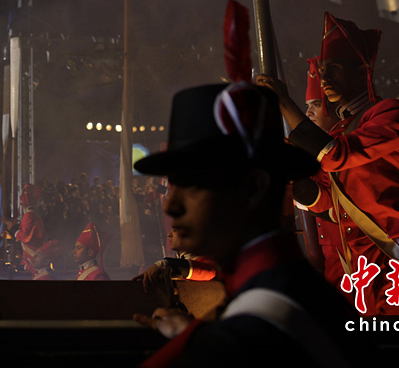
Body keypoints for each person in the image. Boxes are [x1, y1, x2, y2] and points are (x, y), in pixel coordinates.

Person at [133, 80, 357, 367]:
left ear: (253, 188)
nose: (171, 205)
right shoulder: (287, 292)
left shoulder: (259, 328)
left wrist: (199, 345)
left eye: (191, 186)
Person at [257, 12, 399, 315]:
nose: (325, 79)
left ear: (362, 71)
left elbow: (336, 156)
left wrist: (284, 103)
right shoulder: (338, 132)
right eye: (323, 71)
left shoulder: (393, 114)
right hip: (357, 269)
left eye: (334, 68)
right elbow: (328, 202)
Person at [294, 56, 345, 289]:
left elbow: (329, 205)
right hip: (332, 261)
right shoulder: (313, 152)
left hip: (357, 258)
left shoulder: (344, 147)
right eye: (308, 106)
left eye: (315, 104)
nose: (308, 112)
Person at [134, 228, 218, 293]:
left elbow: (209, 272)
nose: (169, 234)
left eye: (175, 230)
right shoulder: (180, 262)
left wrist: (164, 264)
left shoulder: (207, 262)